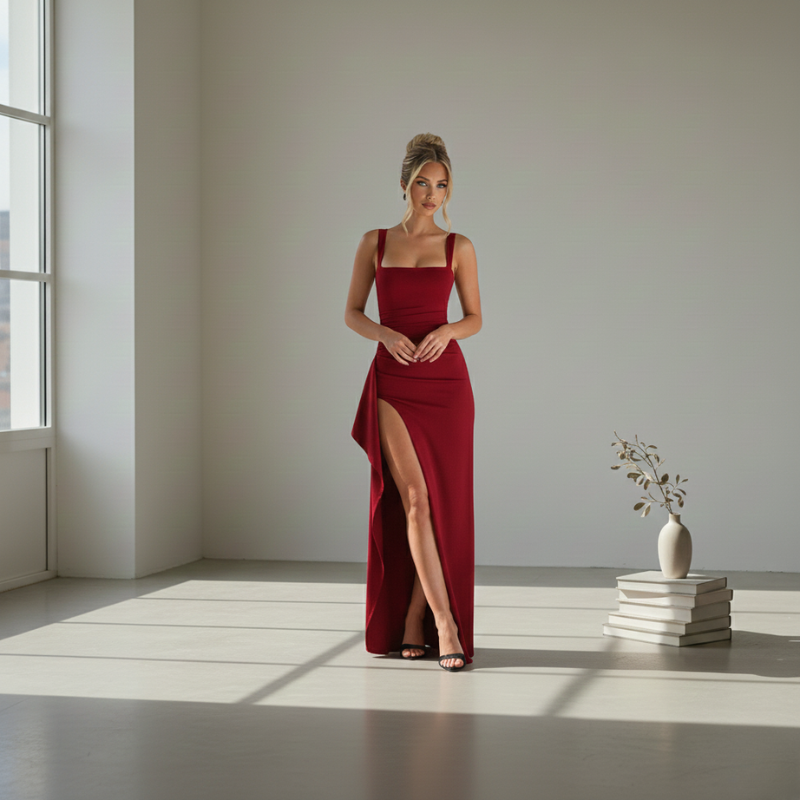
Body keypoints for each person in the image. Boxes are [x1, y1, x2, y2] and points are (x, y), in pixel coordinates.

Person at [345, 133, 482, 672]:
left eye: (442, 185)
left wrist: (448, 331)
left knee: (441, 507)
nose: (432, 194)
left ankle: (413, 616)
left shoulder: (460, 247)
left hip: (447, 386)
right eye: (423, 183)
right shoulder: (373, 243)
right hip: (393, 383)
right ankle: (446, 625)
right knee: (415, 501)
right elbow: (352, 311)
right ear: (404, 184)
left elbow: (475, 317)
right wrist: (383, 334)